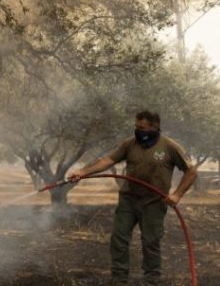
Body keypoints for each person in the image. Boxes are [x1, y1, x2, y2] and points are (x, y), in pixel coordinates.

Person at [68, 111, 198, 286]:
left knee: (150, 242)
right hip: (128, 200)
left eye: (142, 128)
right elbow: (107, 161)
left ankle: (151, 281)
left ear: (155, 127)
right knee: (118, 239)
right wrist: (83, 172)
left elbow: (191, 171)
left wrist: (177, 195)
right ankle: (119, 279)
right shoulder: (129, 144)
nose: (138, 131)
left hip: (154, 202)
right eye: (136, 127)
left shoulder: (169, 146)